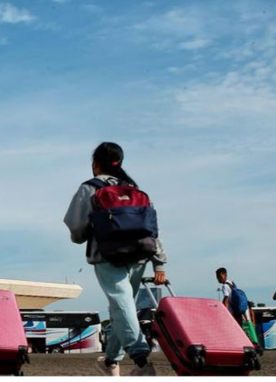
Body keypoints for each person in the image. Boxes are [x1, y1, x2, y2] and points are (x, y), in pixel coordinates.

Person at [64, 143, 167, 378]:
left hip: (107, 255)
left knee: (122, 305)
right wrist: (159, 263)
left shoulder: (89, 189)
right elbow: (153, 230)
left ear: (95, 164)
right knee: (123, 307)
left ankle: (141, 361)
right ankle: (110, 361)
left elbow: (77, 230)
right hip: (140, 256)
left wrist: (85, 234)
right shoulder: (134, 190)